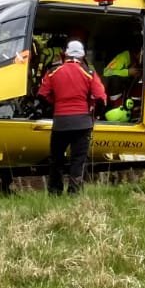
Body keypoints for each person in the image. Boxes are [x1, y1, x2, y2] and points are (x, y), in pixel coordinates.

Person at [37, 40, 106, 194]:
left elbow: (42, 95)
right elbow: (101, 98)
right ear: (82, 56)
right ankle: (74, 192)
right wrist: (95, 115)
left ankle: (55, 192)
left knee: (56, 159)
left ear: (65, 54)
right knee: (78, 160)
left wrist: (54, 106)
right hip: (82, 123)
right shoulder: (89, 73)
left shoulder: (53, 72)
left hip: (60, 122)